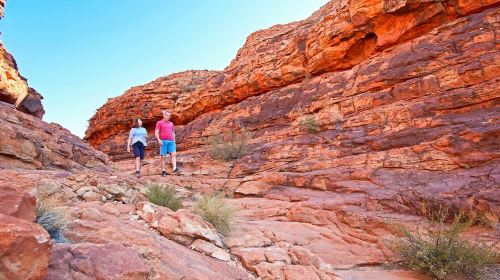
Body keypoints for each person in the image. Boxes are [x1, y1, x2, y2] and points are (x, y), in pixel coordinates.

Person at [155, 109, 180, 176]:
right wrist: (159, 140)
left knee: (174, 154)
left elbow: (173, 133)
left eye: (169, 115)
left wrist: (174, 142)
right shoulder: (159, 123)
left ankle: (174, 169)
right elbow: (156, 132)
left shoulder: (171, 123)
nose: (168, 117)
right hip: (163, 141)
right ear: (164, 115)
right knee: (163, 156)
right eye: (167, 115)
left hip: (171, 141)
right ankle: (163, 170)